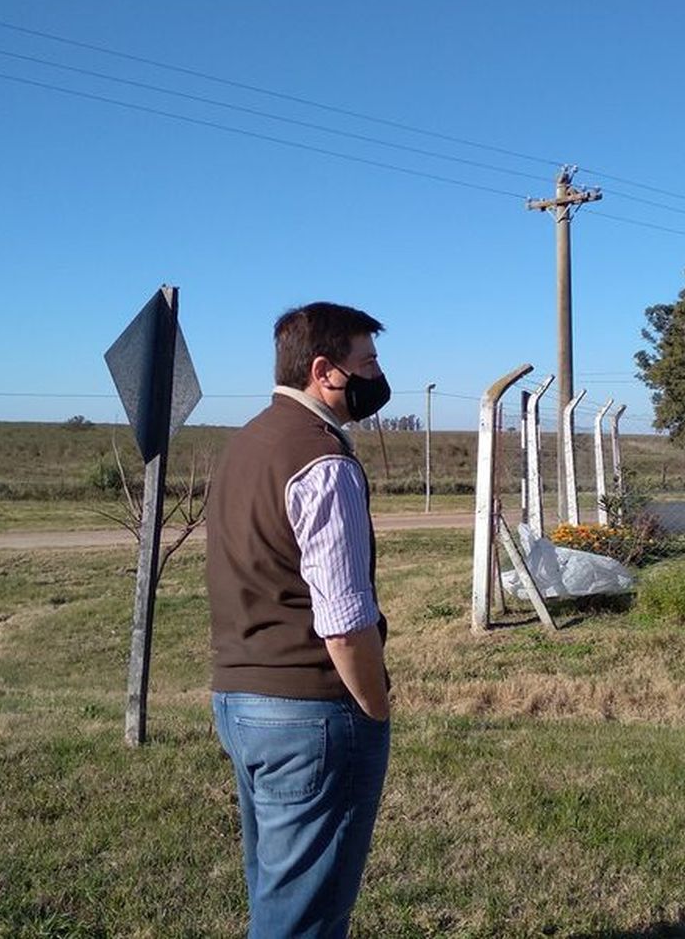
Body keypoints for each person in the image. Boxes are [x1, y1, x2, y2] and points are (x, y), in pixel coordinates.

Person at [204, 301, 393, 939]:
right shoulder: (323, 462)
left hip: (239, 701)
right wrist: (374, 703)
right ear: (324, 371)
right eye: (366, 362)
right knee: (304, 916)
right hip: (311, 712)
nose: (377, 375)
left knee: (277, 894)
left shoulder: (245, 445)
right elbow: (343, 619)